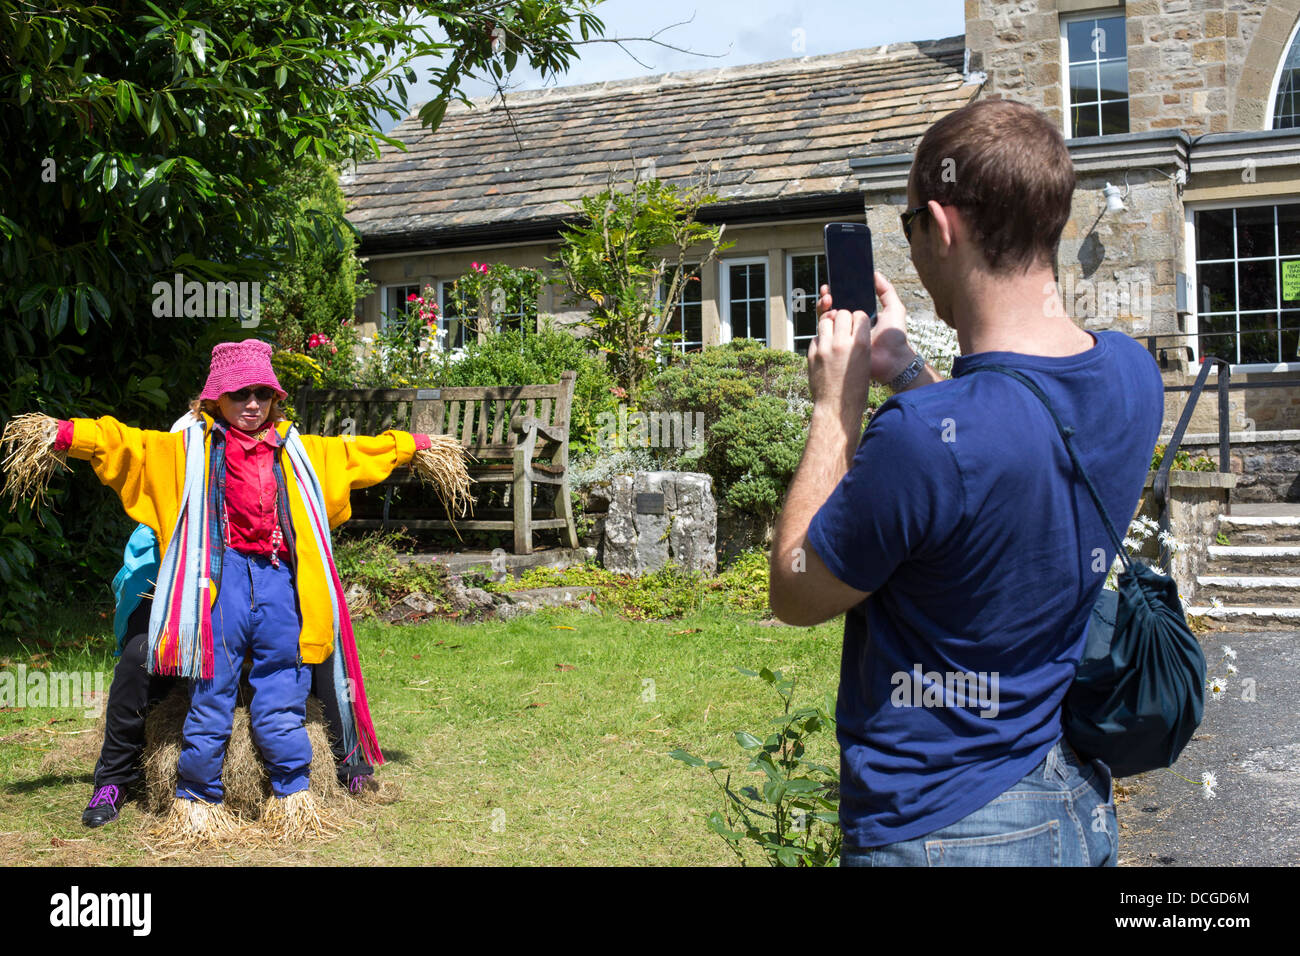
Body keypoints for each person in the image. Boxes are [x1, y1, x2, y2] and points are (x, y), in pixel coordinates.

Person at [768, 99, 1164, 866]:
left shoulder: (920, 438)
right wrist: (905, 370)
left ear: (943, 227)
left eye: (912, 222)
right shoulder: (1131, 375)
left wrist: (836, 406)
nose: (913, 246)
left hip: (940, 827)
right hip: (1071, 802)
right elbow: (1001, 446)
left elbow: (796, 591)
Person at [40, 338, 458, 832]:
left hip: (275, 582)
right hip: (185, 589)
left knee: (312, 653)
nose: (253, 403)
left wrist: (413, 447)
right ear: (215, 400)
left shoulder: (293, 452)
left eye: (263, 393)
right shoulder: (184, 454)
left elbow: (352, 454)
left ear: (276, 398)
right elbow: (124, 444)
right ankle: (120, 778)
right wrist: (67, 434)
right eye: (240, 394)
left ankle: (338, 769)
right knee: (142, 659)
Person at [82, 518, 377, 828]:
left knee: (321, 639)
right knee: (139, 653)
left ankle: (347, 762)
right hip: (183, 567)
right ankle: (113, 778)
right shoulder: (181, 476)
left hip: (267, 572)